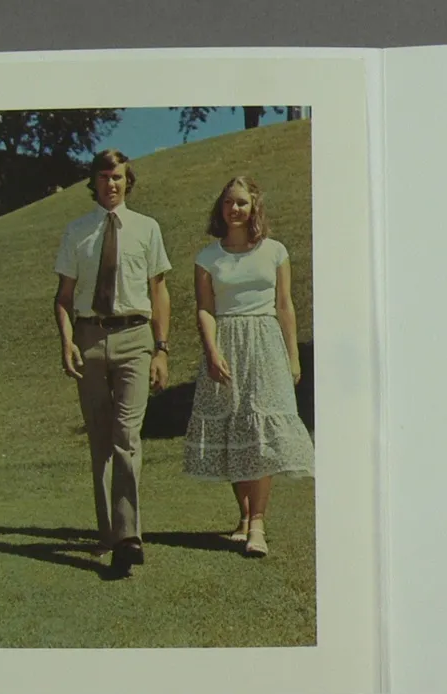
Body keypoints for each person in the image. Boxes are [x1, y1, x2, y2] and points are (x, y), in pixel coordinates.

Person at [53, 149, 173, 577]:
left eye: (119, 177)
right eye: (104, 177)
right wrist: (68, 341)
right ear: (94, 181)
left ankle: (128, 536)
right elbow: (63, 299)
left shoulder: (146, 229)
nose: (112, 184)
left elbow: (159, 292)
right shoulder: (77, 232)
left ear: (128, 181)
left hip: (135, 338)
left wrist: (161, 348)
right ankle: (108, 532)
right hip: (89, 339)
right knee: (101, 440)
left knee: (127, 435)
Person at [182, 176, 314, 557]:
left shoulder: (274, 251)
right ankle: (243, 515)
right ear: (220, 209)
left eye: (241, 203)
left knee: (261, 432)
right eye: (228, 203)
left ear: (254, 206)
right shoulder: (208, 257)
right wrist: (211, 351)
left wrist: (293, 356)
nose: (234, 209)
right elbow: (205, 308)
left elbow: (285, 305)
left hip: (266, 342)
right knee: (233, 428)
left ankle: (258, 523)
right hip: (227, 343)